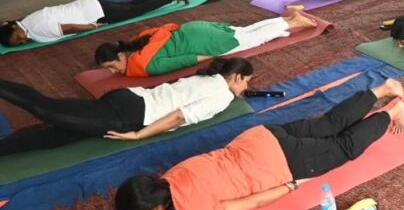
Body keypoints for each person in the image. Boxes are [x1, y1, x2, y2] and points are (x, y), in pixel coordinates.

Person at [113, 79, 404, 210]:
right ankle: (383, 88)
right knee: (327, 125)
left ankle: (391, 111)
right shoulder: (170, 176)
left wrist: (290, 186)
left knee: (344, 147)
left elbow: (253, 201)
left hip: (279, 163)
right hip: (259, 138)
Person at [0, 58, 254, 156]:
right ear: (237, 77)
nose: (245, 89)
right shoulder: (222, 96)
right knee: (46, 108)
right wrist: (139, 135)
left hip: (127, 99)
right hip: (129, 115)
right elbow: (178, 116)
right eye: (247, 83)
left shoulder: (207, 76)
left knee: (58, 135)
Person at [93, 10, 318, 78]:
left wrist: (216, 54)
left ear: (122, 56)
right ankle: (286, 20)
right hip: (194, 28)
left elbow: (188, 60)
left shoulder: (142, 66)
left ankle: (292, 23)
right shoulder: (135, 43)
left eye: (113, 65)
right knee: (242, 32)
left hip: (203, 40)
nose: (115, 71)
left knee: (250, 40)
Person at [0, 0, 189, 48]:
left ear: (15, 28)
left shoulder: (38, 28)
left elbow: (71, 27)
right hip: (87, 4)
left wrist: (93, 26)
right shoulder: (27, 21)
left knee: (135, 11)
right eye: (20, 43)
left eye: (19, 38)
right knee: (130, 6)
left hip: (93, 13)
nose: (24, 40)